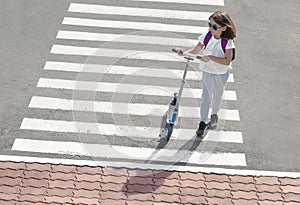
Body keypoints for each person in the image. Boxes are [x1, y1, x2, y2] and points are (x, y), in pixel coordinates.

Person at [175, 11, 237, 137]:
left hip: (221, 73)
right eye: (209, 24)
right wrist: (184, 53)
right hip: (207, 71)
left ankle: (214, 115)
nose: (210, 28)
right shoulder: (207, 36)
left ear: (223, 28)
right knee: (205, 98)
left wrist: (210, 57)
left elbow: (227, 61)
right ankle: (202, 122)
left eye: (214, 26)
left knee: (217, 95)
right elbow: (196, 49)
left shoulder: (227, 41)